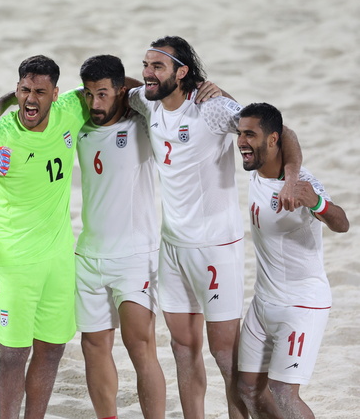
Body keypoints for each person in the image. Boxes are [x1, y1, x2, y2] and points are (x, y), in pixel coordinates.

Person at [127, 36, 303, 419]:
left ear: (182, 72)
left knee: (228, 359)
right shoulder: (145, 100)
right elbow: (122, 88)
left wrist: (291, 180)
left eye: (158, 66)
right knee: (182, 349)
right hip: (172, 247)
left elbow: (281, 131)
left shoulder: (211, 108)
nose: (147, 74)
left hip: (215, 248)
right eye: (145, 65)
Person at [0, 55, 90, 419]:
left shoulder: (70, 109)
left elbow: (111, 84)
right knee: (14, 355)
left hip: (60, 260)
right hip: (14, 265)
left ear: (55, 94)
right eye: (24, 90)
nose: (31, 100)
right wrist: (3, 105)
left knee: (52, 350)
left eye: (39, 92)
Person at [234, 103, 348, 419]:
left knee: (284, 393)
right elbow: (288, 131)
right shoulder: (259, 166)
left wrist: (318, 203)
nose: (242, 141)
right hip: (263, 302)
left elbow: (342, 223)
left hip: (301, 304)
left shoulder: (302, 186)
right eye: (240, 133)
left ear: (272, 141)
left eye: (250, 135)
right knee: (246, 389)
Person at [75, 55, 165, 419]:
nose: (95, 103)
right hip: (89, 255)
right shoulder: (78, 127)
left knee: (140, 346)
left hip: (135, 257)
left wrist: (127, 87)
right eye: (89, 94)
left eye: (103, 94)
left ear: (121, 93)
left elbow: (155, 94)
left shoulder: (142, 123)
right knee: (94, 346)